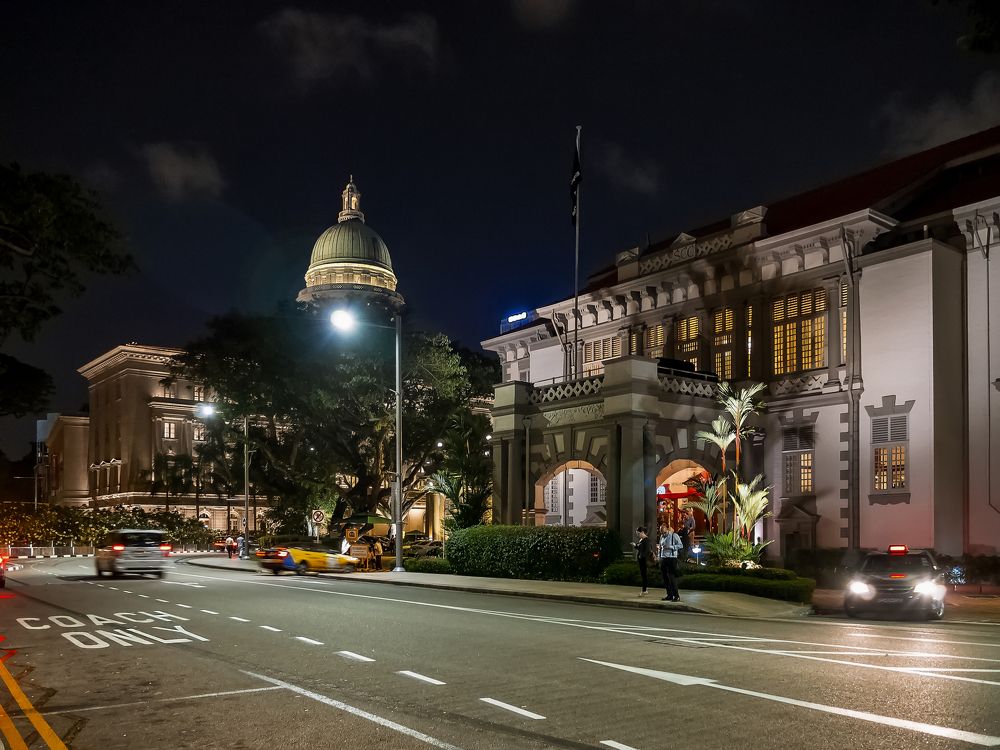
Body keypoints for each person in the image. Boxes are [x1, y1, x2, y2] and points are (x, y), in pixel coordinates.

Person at [656, 523, 682, 602]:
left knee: (671, 577)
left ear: (668, 529)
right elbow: (660, 548)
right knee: (665, 578)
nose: (663, 534)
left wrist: (671, 547)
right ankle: (669, 594)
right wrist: (658, 556)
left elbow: (680, 545)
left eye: (664, 532)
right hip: (664, 558)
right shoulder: (661, 537)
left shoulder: (674, 535)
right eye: (661, 532)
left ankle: (676, 595)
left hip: (672, 558)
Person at [632, 526, 650, 596]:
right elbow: (640, 548)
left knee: (644, 575)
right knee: (643, 575)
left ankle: (644, 590)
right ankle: (644, 590)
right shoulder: (641, 540)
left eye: (638, 533)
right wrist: (635, 546)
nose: (638, 535)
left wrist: (642, 555)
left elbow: (647, 550)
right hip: (641, 559)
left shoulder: (646, 540)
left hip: (644, 560)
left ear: (642, 532)